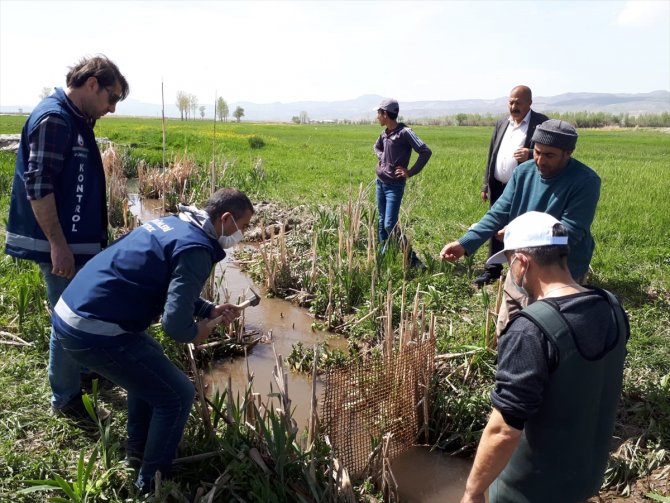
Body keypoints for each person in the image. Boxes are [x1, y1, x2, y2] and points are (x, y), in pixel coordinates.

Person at [50, 188, 254, 491]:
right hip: (91, 329)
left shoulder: (175, 224)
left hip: (71, 311)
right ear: (226, 219)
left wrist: (209, 308)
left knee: (150, 365)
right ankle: (153, 481)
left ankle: (139, 447)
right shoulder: (197, 248)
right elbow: (175, 325)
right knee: (177, 395)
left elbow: (166, 285)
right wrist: (199, 331)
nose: (243, 234)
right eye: (244, 226)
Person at [460, 211, 629, 503]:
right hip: (584, 479)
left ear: (522, 262)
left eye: (510, 262)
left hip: (528, 491)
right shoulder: (611, 307)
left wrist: (473, 492)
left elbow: (503, 429)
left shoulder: (531, 329)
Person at [4, 55, 129, 419]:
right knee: (69, 319)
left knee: (82, 313)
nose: (113, 108)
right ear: (93, 84)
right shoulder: (55, 118)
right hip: (59, 245)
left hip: (75, 242)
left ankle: (84, 371)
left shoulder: (75, 118)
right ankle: (67, 400)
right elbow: (38, 186)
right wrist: (58, 245)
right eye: (112, 98)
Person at [440, 119, 601, 334]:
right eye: (537, 152)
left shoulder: (585, 181)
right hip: (521, 262)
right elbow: (498, 213)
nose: (540, 160)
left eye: (549, 155)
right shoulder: (523, 172)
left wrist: (521, 234)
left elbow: (570, 235)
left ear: (568, 152)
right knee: (510, 321)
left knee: (549, 330)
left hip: (561, 270)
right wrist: (465, 243)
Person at [474, 85, 548, 287]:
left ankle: (524, 271)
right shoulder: (501, 124)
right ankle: (492, 270)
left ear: (529, 103)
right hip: (498, 185)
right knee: (496, 226)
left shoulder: (542, 123)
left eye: (518, 102)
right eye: (511, 102)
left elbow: (552, 152)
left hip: (524, 187)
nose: (514, 106)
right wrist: (485, 185)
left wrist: (531, 153)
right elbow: (492, 154)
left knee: (522, 226)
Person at [374, 98, 432, 266]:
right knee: (381, 222)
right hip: (381, 183)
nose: (377, 117)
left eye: (379, 113)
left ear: (385, 114)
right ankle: (383, 257)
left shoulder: (405, 132)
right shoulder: (384, 134)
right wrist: (382, 157)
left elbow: (425, 151)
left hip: (394, 186)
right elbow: (376, 147)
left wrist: (410, 172)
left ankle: (412, 259)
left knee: (390, 223)